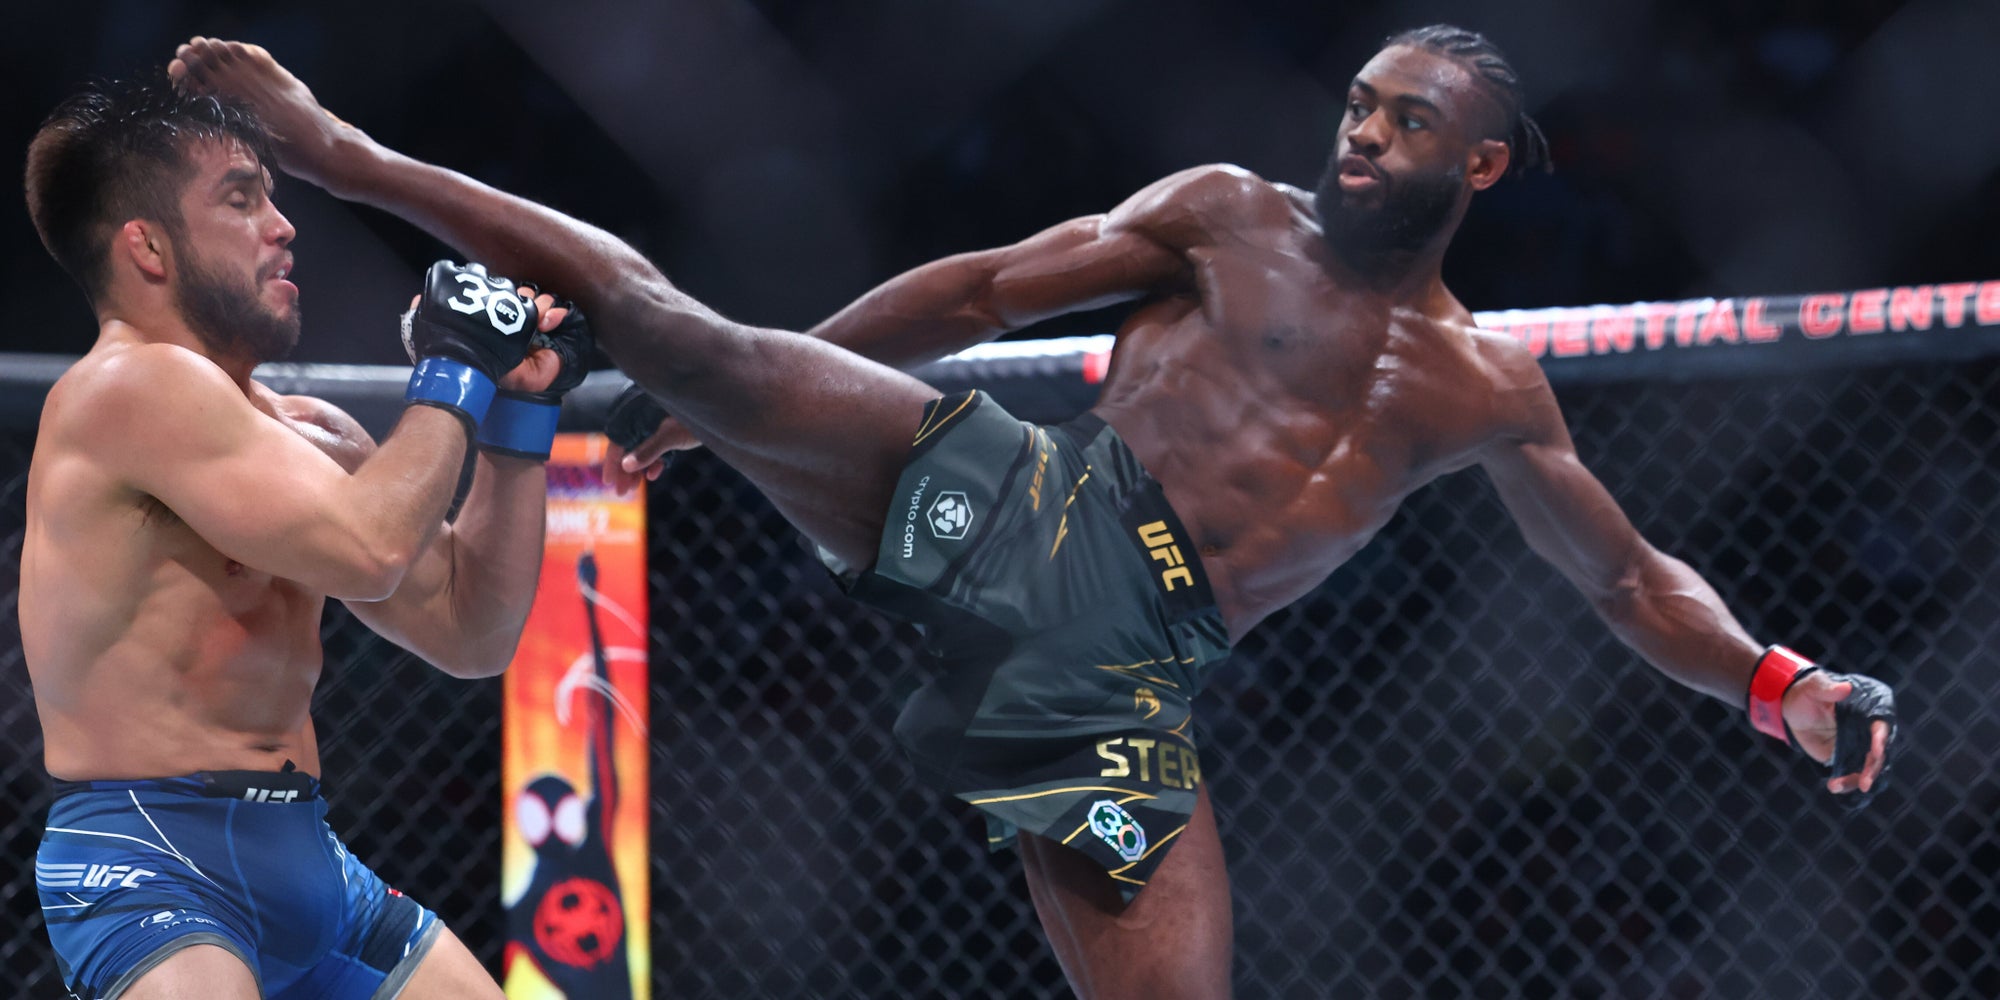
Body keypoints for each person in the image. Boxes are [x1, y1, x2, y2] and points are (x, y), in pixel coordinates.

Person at [172, 27, 1897, 999]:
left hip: (1125, 677)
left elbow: (1625, 579)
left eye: (1410, 120)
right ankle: (341, 150)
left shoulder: (1485, 389)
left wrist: (1779, 683)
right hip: (1017, 506)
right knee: (674, 326)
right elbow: (987, 288)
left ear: (1484, 166)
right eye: (1360, 104)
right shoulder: (1228, 214)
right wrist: (753, 395)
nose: (1366, 135)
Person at [21, 76, 593, 1000]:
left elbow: (471, 632)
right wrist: (456, 366)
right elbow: (369, 551)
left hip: (308, 858)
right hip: (152, 862)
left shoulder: (306, 430)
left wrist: (518, 419)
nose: (284, 227)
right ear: (147, 247)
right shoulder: (127, 387)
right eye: (241, 199)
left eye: (274, 198)